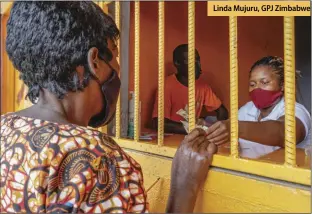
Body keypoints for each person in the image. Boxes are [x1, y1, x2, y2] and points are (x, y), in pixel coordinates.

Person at [0, 2, 218, 213]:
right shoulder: (97, 160)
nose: (117, 65)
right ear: (94, 61)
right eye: (114, 54)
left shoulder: (5, 129)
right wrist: (184, 188)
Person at [205, 56, 311, 158]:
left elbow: (284, 133)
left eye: (264, 82)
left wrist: (235, 128)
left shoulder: (296, 110)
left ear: (282, 85)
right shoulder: (247, 110)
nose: (257, 89)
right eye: (252, 84)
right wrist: (208, 131)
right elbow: (226, 134)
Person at [152, 44, 228, 134]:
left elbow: (222, 111)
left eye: (198, 60)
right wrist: (196, 129)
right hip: (173, 138)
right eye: (191, 60)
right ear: (177, 63)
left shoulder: (203, 86)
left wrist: (218, 129)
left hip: (194, 138)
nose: (197, 64)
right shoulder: (167, 85)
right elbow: (159, 123)